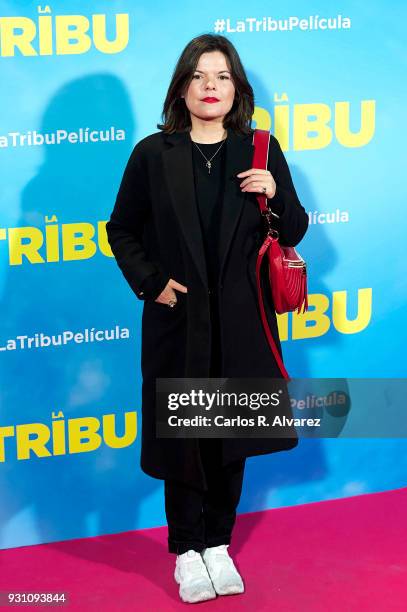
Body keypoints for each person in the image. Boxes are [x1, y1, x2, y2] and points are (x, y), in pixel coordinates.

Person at [106, 33, 309, 604]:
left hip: (244, 323)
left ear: (236, 88)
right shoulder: (153, 153)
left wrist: (277, 193)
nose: (210, 87)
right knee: (185, 440)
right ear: (182, 87)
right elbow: (120, 228)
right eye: (198, 76)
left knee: (231, 437)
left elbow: (292, 230)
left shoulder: (261, 151)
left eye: (220, 76)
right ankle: (186, 551)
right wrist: (151, 282)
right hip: (180, 321)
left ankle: (219, 543)